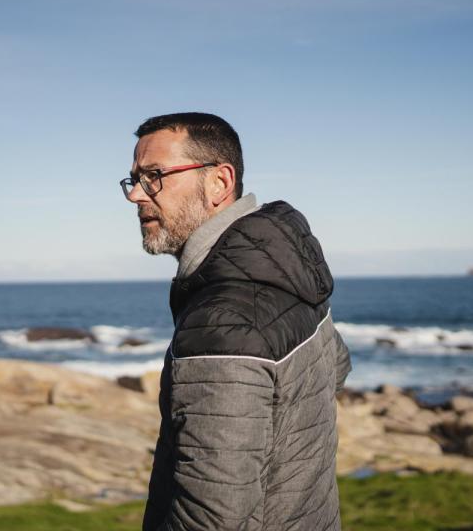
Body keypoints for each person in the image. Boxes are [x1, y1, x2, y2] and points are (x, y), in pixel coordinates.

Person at [121, 112, 352, 531]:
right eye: (134, 179)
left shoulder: (220, 325)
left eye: (154, 176)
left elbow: (211, 518)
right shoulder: (285, 268)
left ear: (219, 183)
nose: (137, 194)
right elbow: (333, 370)